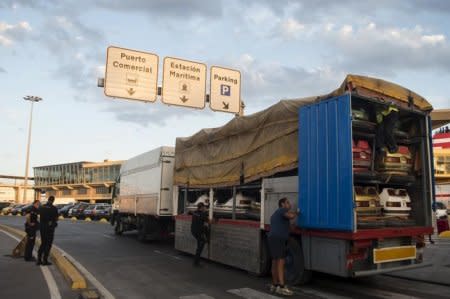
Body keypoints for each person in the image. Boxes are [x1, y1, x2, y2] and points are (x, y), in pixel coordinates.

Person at [268, 197, 298, 296]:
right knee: (281, 261)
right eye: (287, 203)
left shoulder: (275, 214)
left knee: (275, 261)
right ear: (282, 204)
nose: (290, 205)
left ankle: (274, 284)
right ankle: (281, 287)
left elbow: (288, 226)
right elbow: (291, 216)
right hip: (278, 239)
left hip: (273, 238)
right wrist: (298, 212)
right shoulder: (282, 210)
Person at [37, 196, 58, 266]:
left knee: (43, 243)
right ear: (53, 200)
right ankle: (45, 260)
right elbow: (56, 218)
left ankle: (39, 260)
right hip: (50, 228)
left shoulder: (42, 207)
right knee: (48, 244)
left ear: (48, 200)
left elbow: (38, 215)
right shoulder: (54, 208)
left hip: (42, 228)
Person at [190, 202, 209, 267]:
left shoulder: (195, 212)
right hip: (198, 232)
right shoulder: (203, 214)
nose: (204, 208)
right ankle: (196, 262)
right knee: (201, 245)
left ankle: (196, 261)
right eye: (204, 207)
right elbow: (209, 221)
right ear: (202, 207)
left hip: (193, 231)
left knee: (199, 244)